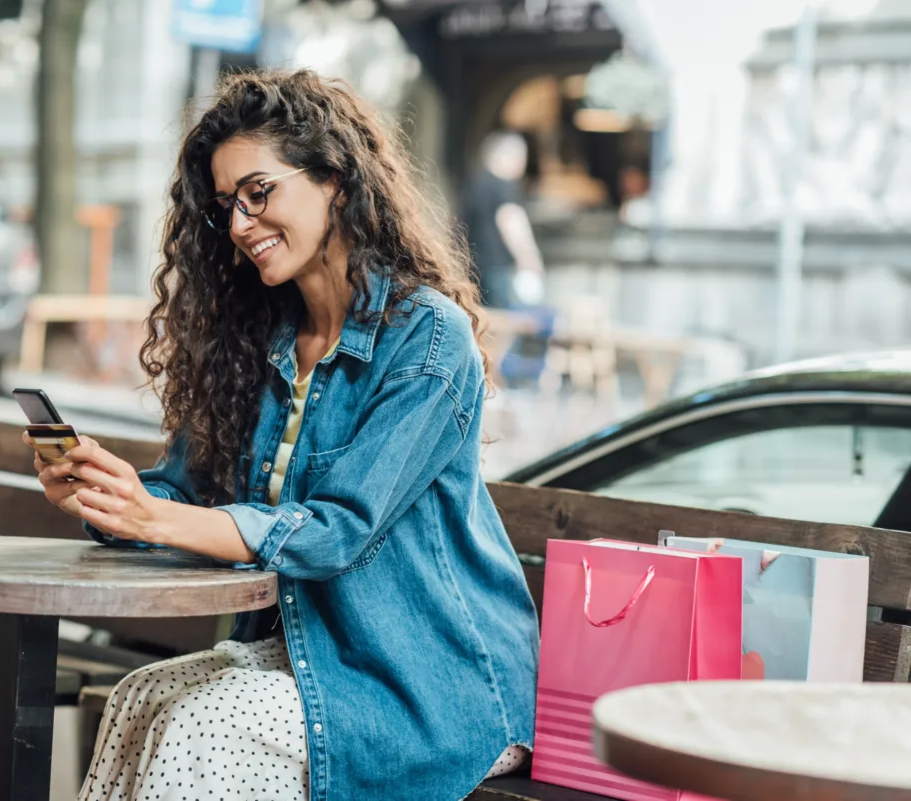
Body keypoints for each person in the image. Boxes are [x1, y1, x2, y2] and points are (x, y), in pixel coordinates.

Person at [27, 69, 540, 801]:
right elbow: (182, 496)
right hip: (317, 658)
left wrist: (159, 514)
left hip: (434, 681)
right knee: (139, 698)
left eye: (259, 192)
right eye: (227, 206)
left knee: (207, 725)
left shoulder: (429, 340)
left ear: (334, 178)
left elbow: (336, 530)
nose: (240, 223)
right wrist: (111, 498)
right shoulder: (258, 340)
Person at [462, 131, 545, 309]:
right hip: (497, 268)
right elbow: (510, 220)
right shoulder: (504, 186)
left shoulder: (475, 183)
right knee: (505, 325)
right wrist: (529, 259)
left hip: (471, 267)